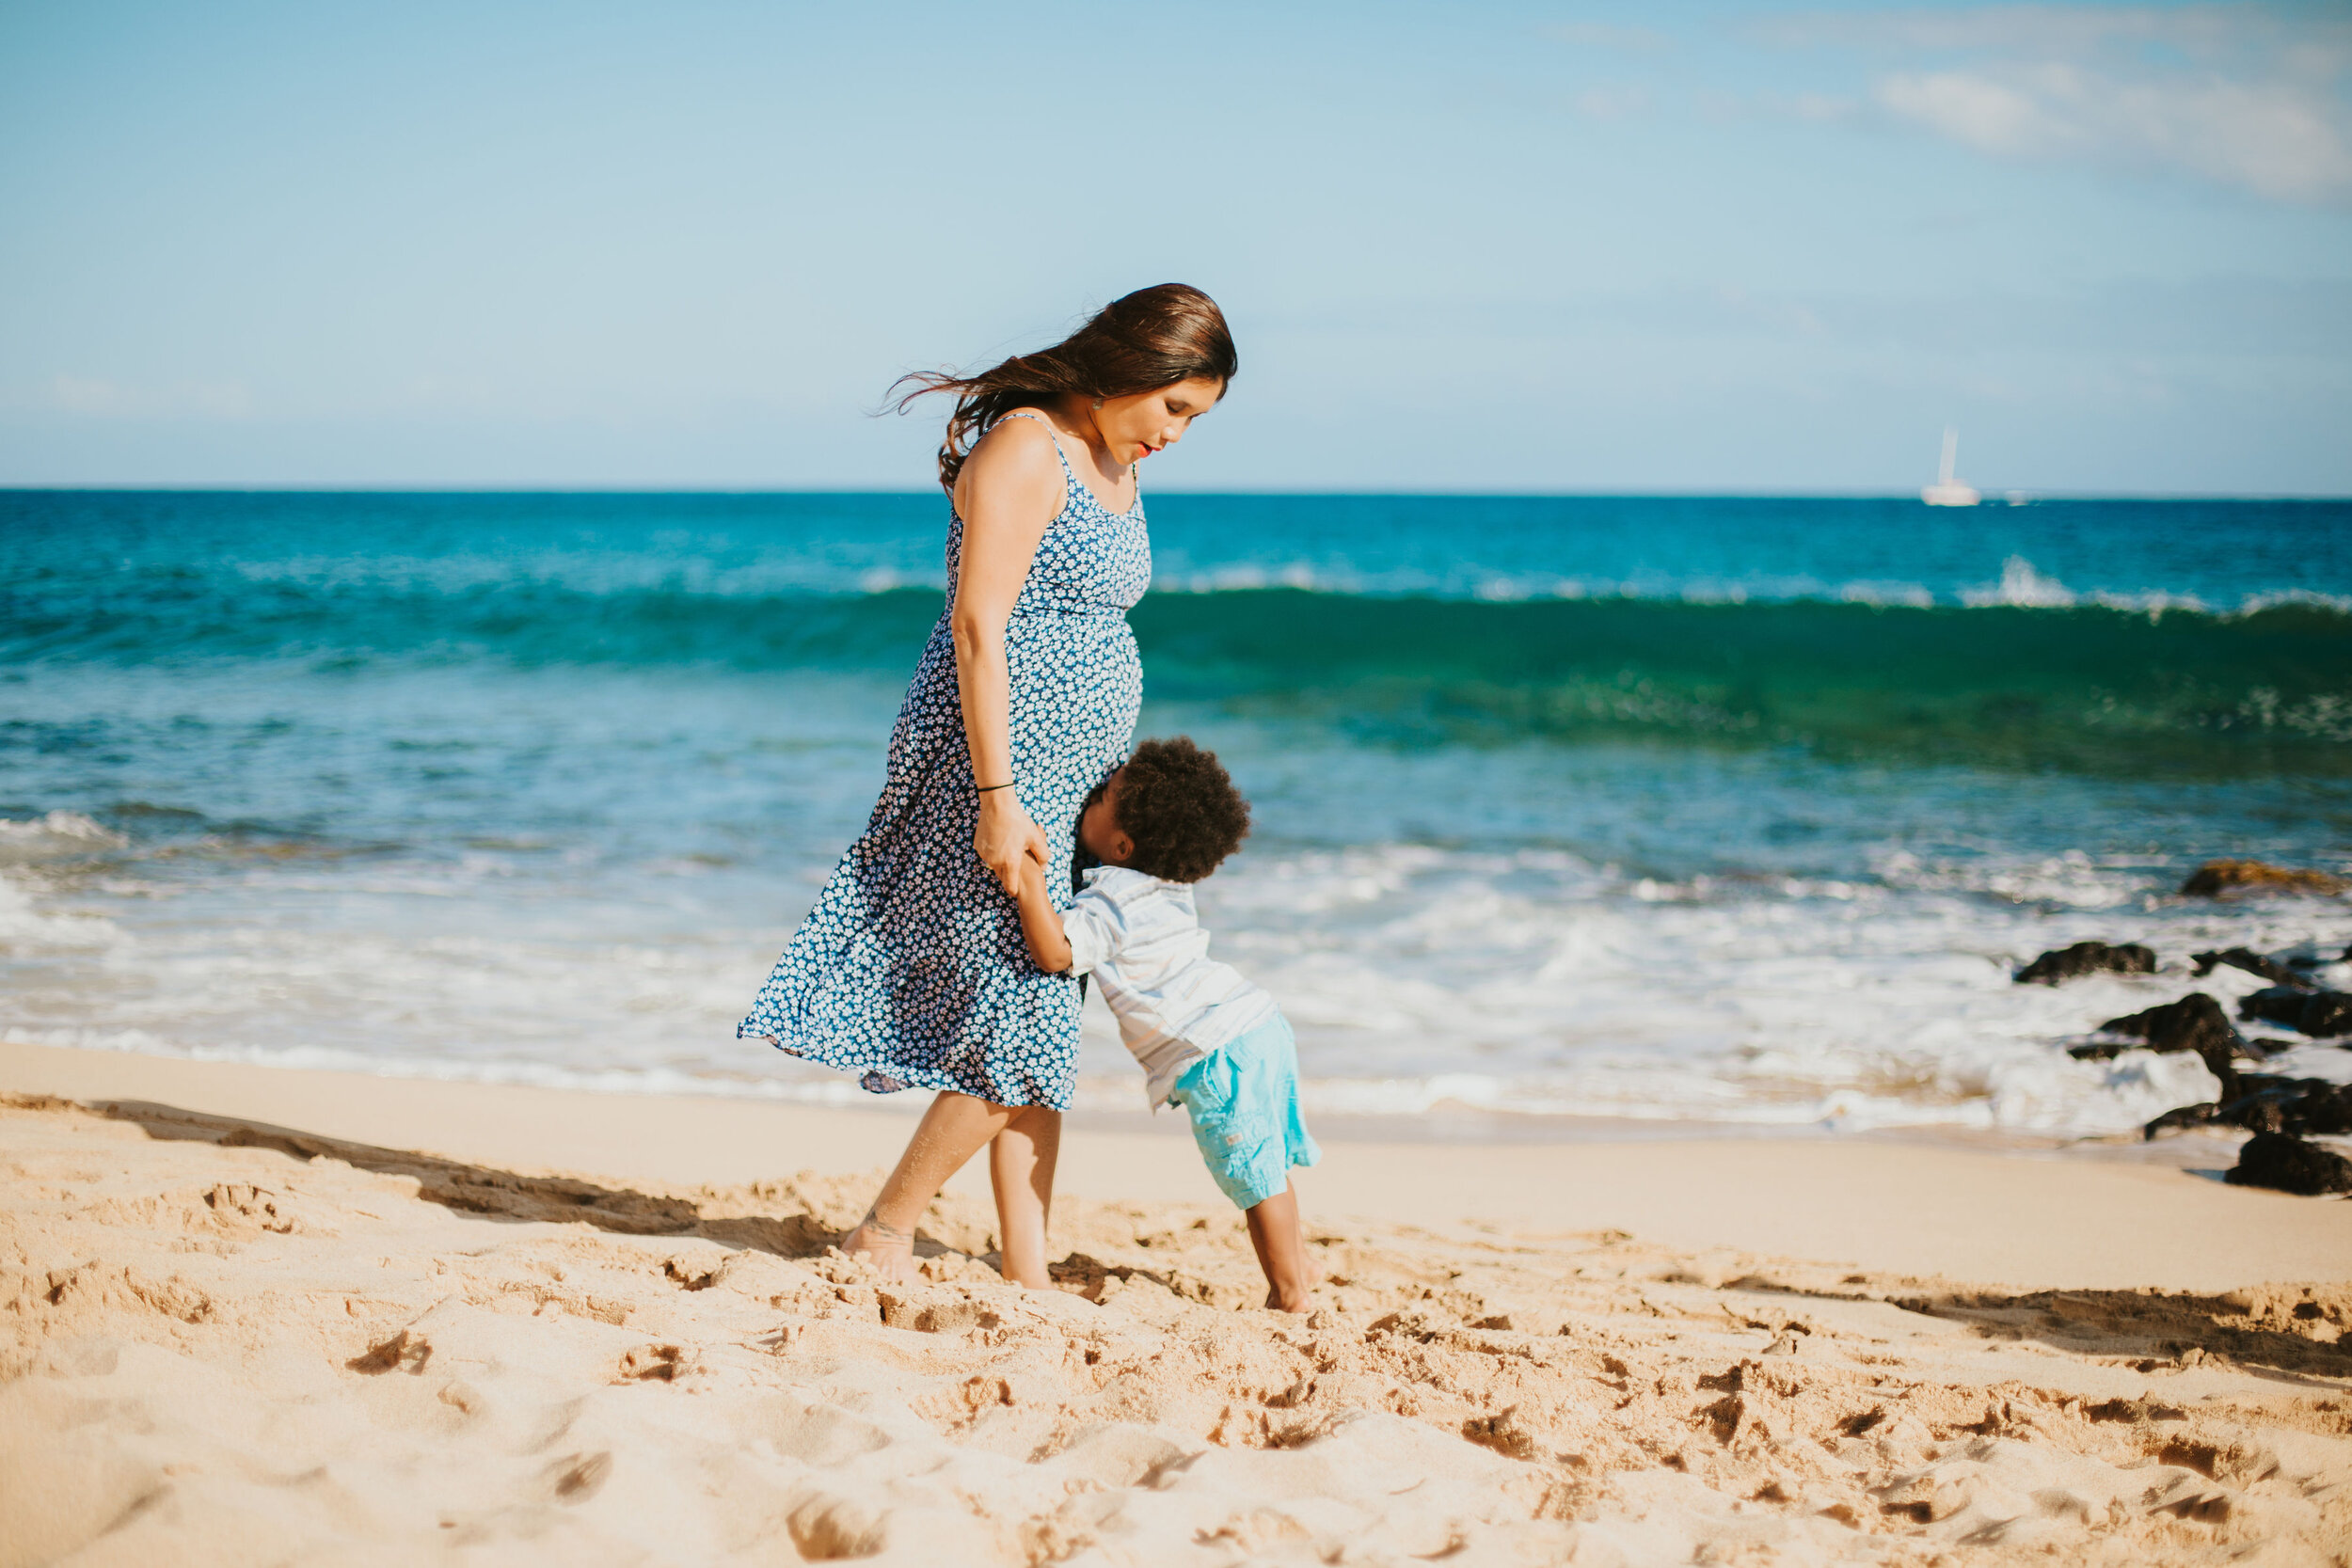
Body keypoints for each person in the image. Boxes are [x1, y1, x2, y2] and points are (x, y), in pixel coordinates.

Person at [736, 285, 1236, 1288]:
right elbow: (979, 626)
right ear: (1133, 364)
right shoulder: (1025, 444)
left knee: (1044, 1009)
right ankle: (885, 1227)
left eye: (1196, 419)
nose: (1178, 433)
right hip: (1002, 765)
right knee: (1018, 1002)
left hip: (1076, 773)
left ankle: (1026, 1266)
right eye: (1176, 407)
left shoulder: (1109, 455)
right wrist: (998, 797)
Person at [1009, 737, 1322, 1313]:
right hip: (1255, 1025)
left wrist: (1027, 876)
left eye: (1102, 795)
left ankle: (1291, 1294)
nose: (1088, 797)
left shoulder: (1116, 896)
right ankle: (1298, 1262)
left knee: (1253, 1176)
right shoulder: (1169, 883)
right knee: (1265, 1162)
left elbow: (1056, 953)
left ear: (1123, 845)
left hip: (1217, 1047)